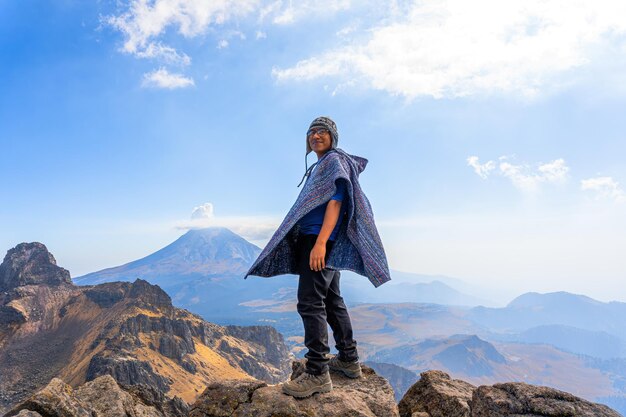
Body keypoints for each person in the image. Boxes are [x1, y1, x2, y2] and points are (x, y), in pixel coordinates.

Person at [244, 116, 391, 398]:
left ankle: (317, 373)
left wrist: (321, 243)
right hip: (319, 240)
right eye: (311, 132)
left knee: (310, 302)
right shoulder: (321, 165)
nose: (316, 136)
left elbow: (335, 203)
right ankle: (348, 360)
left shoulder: (333, 161)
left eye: (322, 131)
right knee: (332, 299)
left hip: (320, 240)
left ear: (333, 136)